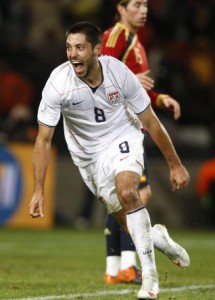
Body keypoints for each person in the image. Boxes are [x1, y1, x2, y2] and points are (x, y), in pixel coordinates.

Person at [29, 21, 190, 299]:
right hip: (88, 158)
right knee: (129, 223)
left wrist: (174, 163)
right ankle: (158, 239)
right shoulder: (58, 83)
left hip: (123, 136)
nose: (73, 54)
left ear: (97, 50)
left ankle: (150, 279)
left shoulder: (119, 73)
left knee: (128, 192)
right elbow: (43, 140)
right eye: (69, 47)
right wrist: (38, 190)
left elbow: (150, 121)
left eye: (80, 47)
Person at [101, 0, 189, 285]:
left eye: (146, 5)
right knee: (138, 196)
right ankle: (126, 265)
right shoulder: (116, 37)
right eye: (137, 5)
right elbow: (98, 76)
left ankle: (116, 268)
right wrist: (130, 80)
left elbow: (137, 90)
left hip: (129, 126)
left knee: (122, 198)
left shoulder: (133, 40)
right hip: (120, 130)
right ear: (121, 8)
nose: (144, 10)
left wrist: (161, 98)